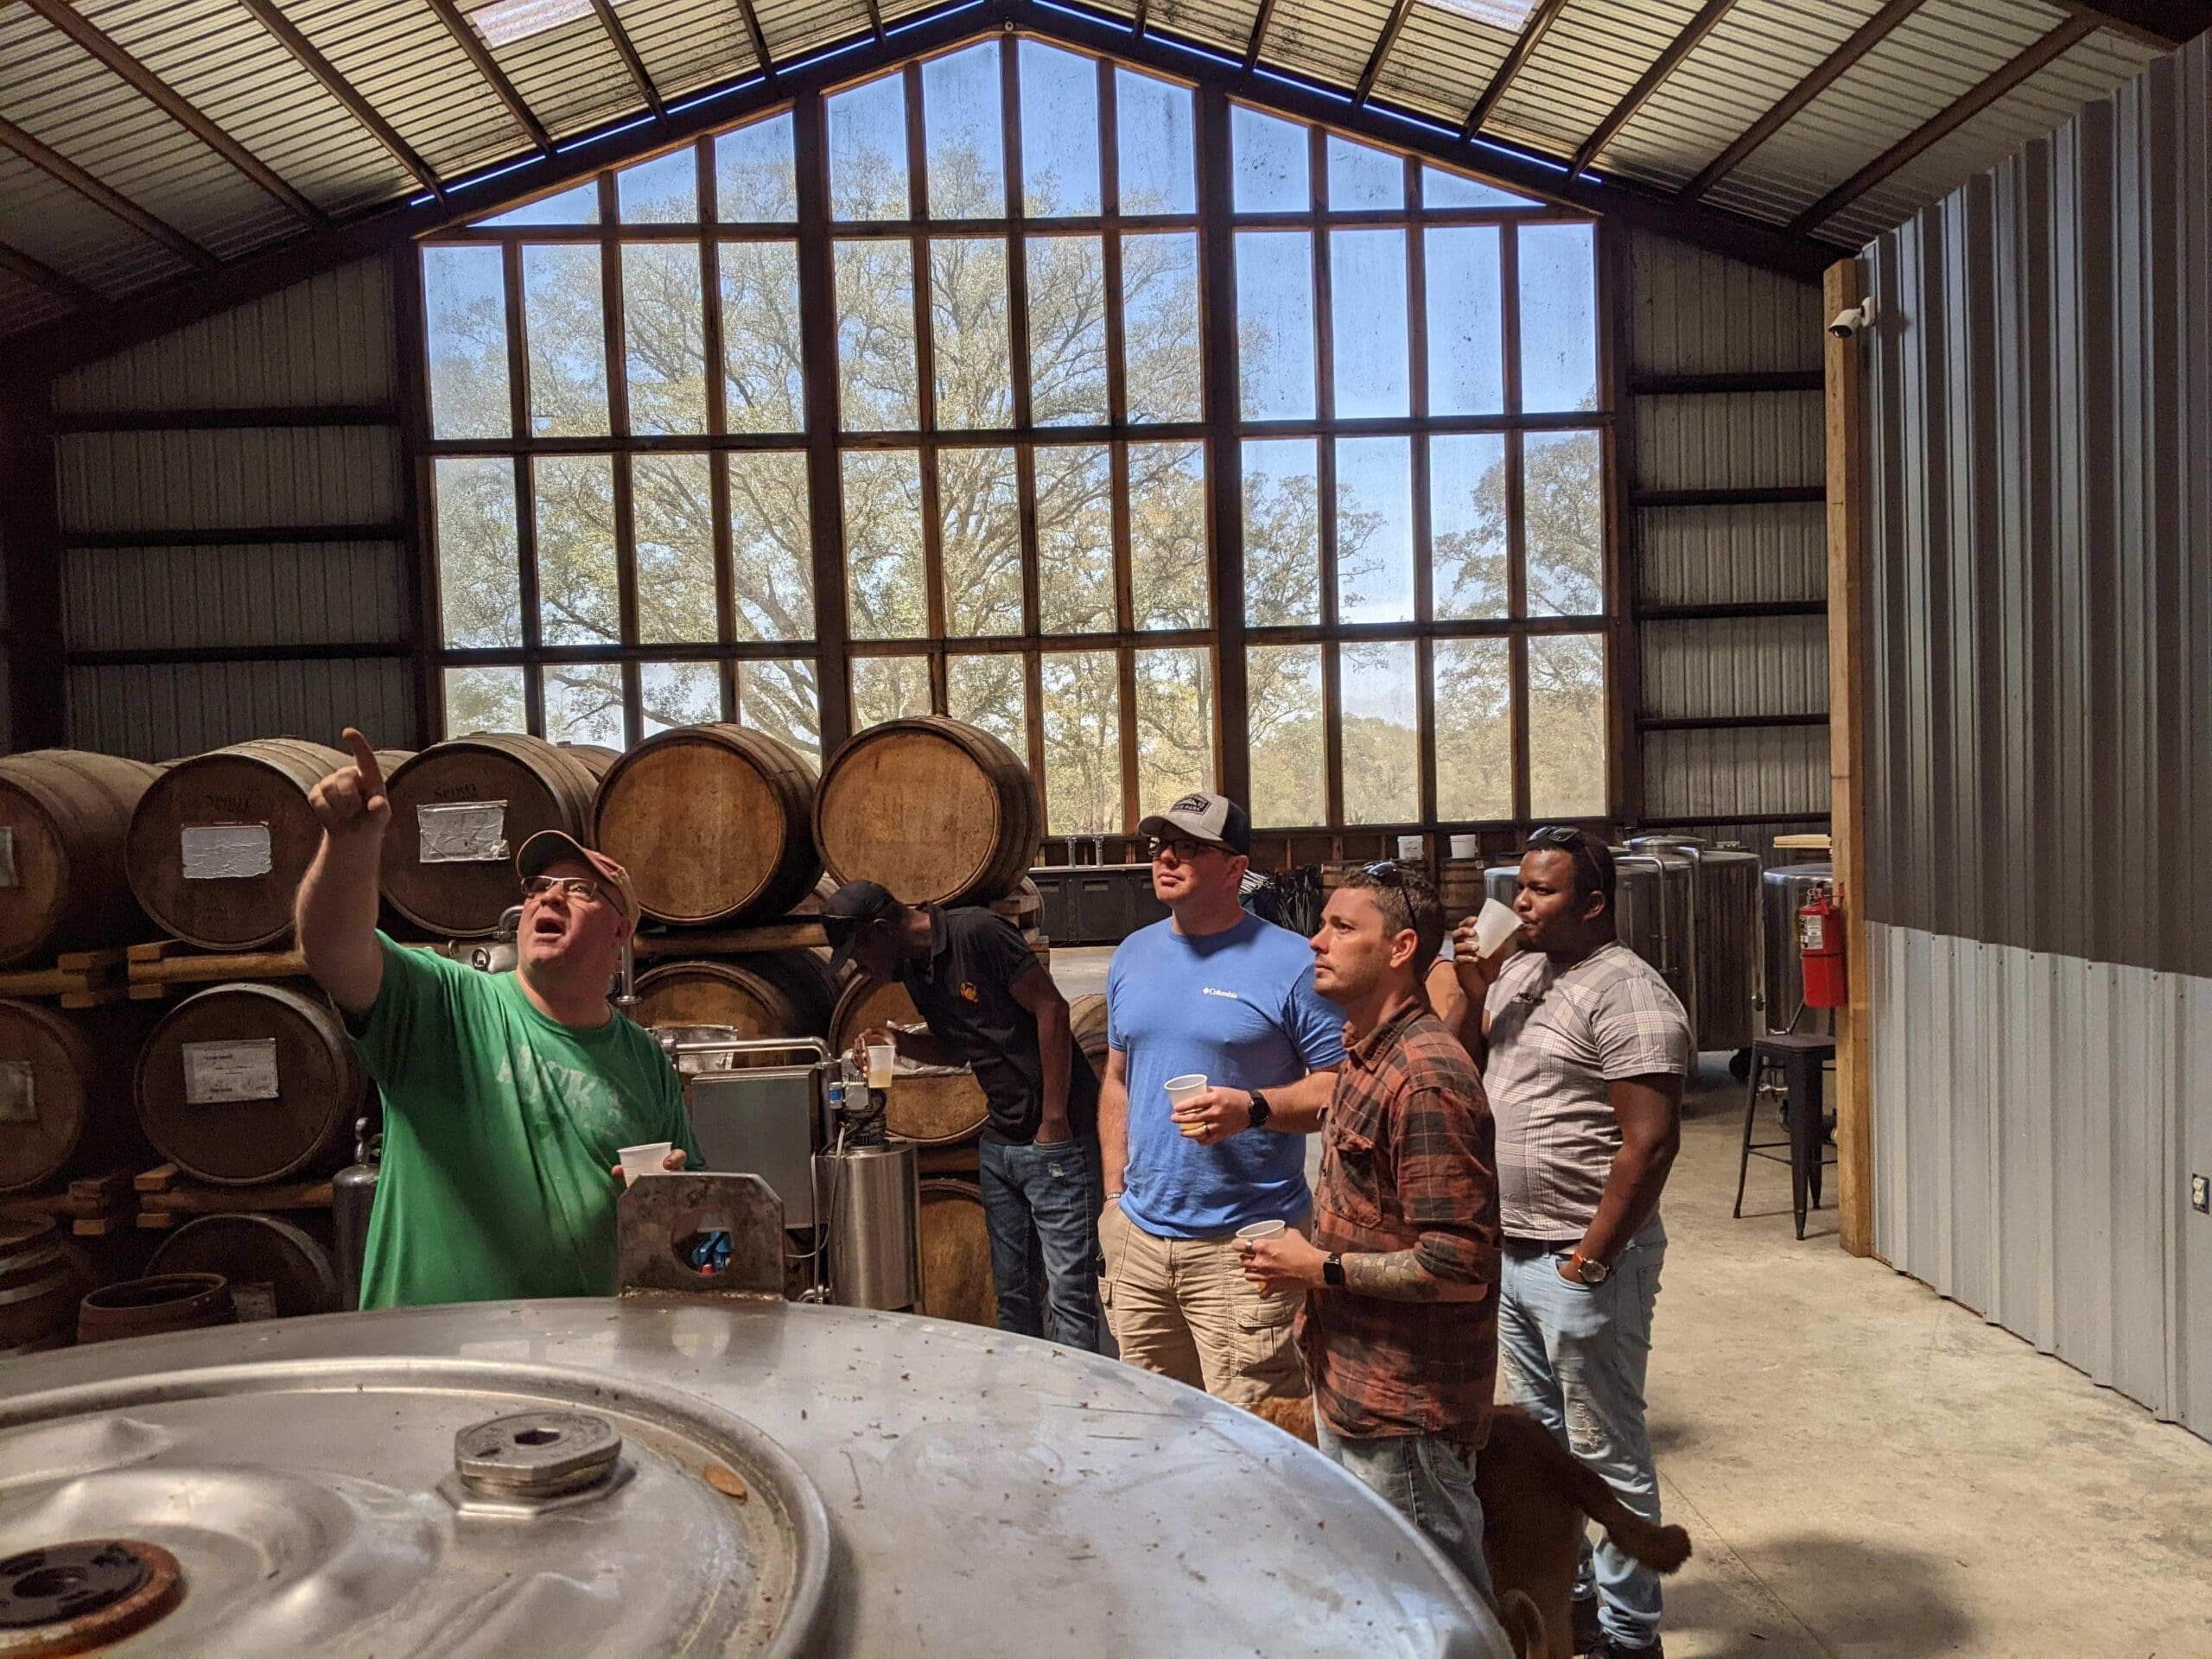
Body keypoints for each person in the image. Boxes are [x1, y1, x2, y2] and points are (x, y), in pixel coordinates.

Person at [296, 729, 697, 1310]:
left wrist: (675, 1199)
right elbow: (334, 949)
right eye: (538, 887)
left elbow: (692, 1231)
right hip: (435, 1366)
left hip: (583, 1359)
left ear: (620, 932)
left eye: (579, 889)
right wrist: (347, 846)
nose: (548, 898)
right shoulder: (446, 1005)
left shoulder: (644, 1062)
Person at [1449, 826, 1692, 1659]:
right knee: (1551, 1450)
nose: (1521, 902)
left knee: (1604, 1447)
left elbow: (1650, 1142)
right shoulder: (1518, 970)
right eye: (1520, 886)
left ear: (1593, 903)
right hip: (1512, 1251)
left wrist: (1591, 1257)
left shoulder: (1628, 992)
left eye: (1543, 891)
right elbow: (1461, 1062)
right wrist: (1472, 981)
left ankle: (1632, 1637)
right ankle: (1572, 1600)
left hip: (1580, 1261)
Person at [1239, 862, 1502, 1611]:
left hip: (1404, 1413)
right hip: (1350, 1383)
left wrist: (1318, 1269)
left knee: (1439, 1613)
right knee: (1383, 1605)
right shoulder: (1363, 1053)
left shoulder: (1425, 1078)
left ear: (1400, 947)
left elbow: (1459, 1267)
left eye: (1342, 928)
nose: (1315, 941)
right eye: (1321, 924)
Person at [1097, 791, 1344, 1407]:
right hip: (1140, 1241)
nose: (1168, 858)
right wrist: (1111, 1198)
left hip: (1244, 1247)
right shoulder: (1133, 954)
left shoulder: (1292, 963)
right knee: (1153, 1427)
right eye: (1163, 845)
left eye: (1191, 848)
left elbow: (1341, 1088)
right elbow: (1117, 1082)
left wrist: (1252, 1108)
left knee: (1257, 1436)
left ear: (1235, 868)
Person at [825, 879, 1103, 1352]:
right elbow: (959, 1049)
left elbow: (1051, 1009)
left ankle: (1078, 1414)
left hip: (1056, 1137)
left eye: (859, 951)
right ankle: (1027, 1404)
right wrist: (900, 1042)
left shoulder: (977, 932)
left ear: (880, 929)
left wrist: (1054, 1119)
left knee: (1069, 1295)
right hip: (1001, 1139)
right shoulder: (916, 971)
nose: (861, 967)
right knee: (1013, 1295)